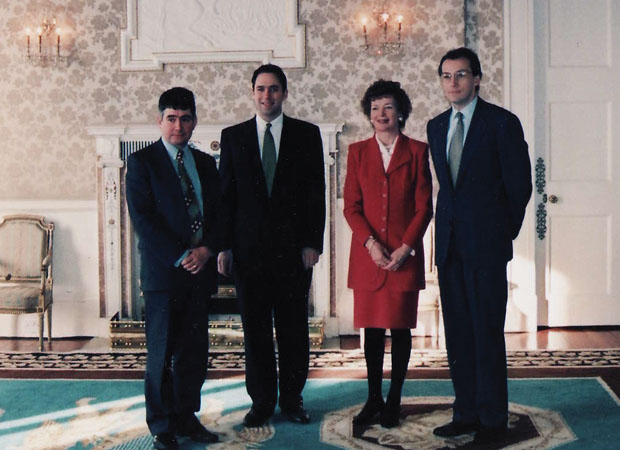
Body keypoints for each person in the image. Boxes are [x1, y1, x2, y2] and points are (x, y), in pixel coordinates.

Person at [427, 48, 532, 445]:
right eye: (446, 76)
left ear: (477, 79)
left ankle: (492, 420)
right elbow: (448, 191)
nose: (452, 82)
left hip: (486, 247)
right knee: (457, 334)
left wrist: (500, 234)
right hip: (450, 247)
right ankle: (465, 412)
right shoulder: (436, 126)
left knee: (486, 333)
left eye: (461, 75)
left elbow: (520, 185)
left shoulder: (501, 123)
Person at [217, 64, 325, 427]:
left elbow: (316, 194)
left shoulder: (306, 134)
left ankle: (293, 399)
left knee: (294, 329)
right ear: (252, 93)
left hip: (294, 253)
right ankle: (261, 401)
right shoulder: (233, 137)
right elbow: (225, 198)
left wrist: (313, 243)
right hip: (248, 255)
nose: (267, 96)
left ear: (285, 93)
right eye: (261, 89)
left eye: (274, 89)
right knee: (256, 331)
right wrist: (224, 247)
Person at [125, 87, 220, 450]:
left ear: (194, 122)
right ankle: (162, 425)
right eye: (171, 118)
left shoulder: (206, 163)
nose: (177, 126)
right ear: (159, 120)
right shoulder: (142, 162)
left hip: (200, 272)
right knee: (162, 351)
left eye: (184, 119)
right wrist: (182, 255)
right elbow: (143, 220)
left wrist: (207, 250)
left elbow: (218, 214)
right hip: (165, 273)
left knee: (194, 351)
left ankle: (186, 416)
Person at [343, 80, 433, 428]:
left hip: (403, 257)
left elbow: (424, 207)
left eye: (389, 107)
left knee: (399, 330)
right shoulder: (357, 152)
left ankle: (394, 400)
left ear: (401, 113)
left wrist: (406, 248)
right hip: (369, 258)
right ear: (369, 114)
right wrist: (371, 243)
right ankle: (373, 399)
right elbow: (352, 207)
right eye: (375, 108)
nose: (382, 114)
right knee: (373, 332)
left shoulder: (418, 151)